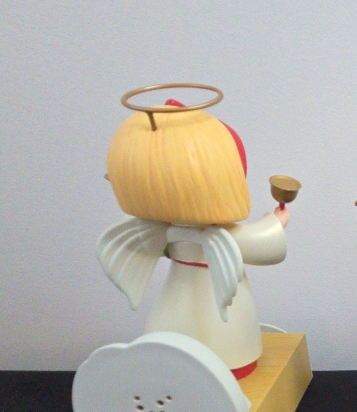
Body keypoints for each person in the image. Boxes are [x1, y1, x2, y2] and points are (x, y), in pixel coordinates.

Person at [96, 98, 288, 379]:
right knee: (220, 338)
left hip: (179, 287)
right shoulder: (216, 235)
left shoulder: (160, 230)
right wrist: (277, 222)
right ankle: (219, 372)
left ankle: (185, 370)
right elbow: (260, 244)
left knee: (181, 331)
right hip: (210, 290)